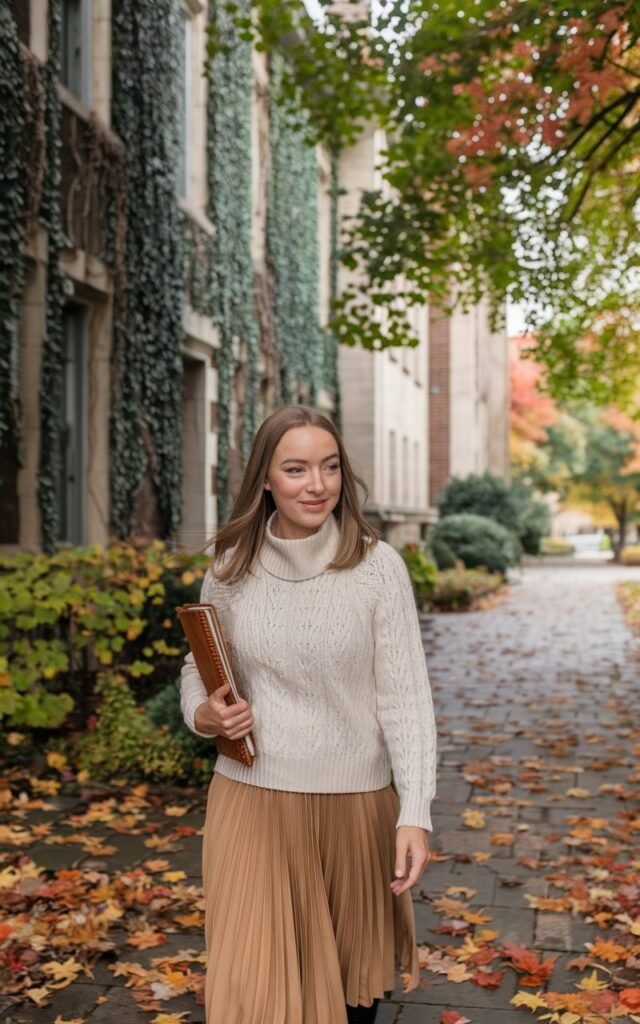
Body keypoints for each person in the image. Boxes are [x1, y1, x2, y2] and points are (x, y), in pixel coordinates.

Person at [180, 404, 437, 1024]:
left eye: (329, 467)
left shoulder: (378, 569)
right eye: (295, 469)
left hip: (354, 806)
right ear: (265, 479)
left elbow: (406, 699)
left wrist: (415, 813)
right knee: (255, 993)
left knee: (350, 999)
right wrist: (205, 716)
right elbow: (199, 668)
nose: (316, 485)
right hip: (250, 801)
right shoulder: (230, 569)